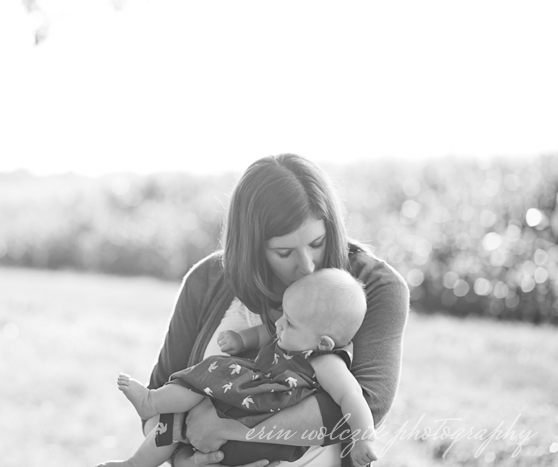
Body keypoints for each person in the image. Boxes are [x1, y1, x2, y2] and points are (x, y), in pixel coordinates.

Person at [144, 154, 409, 467]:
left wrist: (228, 429)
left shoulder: (373, 288)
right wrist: (182, 460)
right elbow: (156, 401)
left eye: (318, 242)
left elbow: (366, 404)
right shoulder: (207, 280)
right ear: (252, 248)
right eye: (284, 252)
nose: (307, 266)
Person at [101, 269, 377, 467]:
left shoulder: (324, 360)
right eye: (282, 315)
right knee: (176, 418)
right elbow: (264, 334)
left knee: (209, 379)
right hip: (246, 401)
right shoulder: (295, 336)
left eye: (289, 322)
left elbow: (351, 396)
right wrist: (240, 339)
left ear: (324, 343)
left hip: (259, 423)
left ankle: (152, 402)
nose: (279, 324)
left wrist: (363, 438)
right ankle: (137, 458)